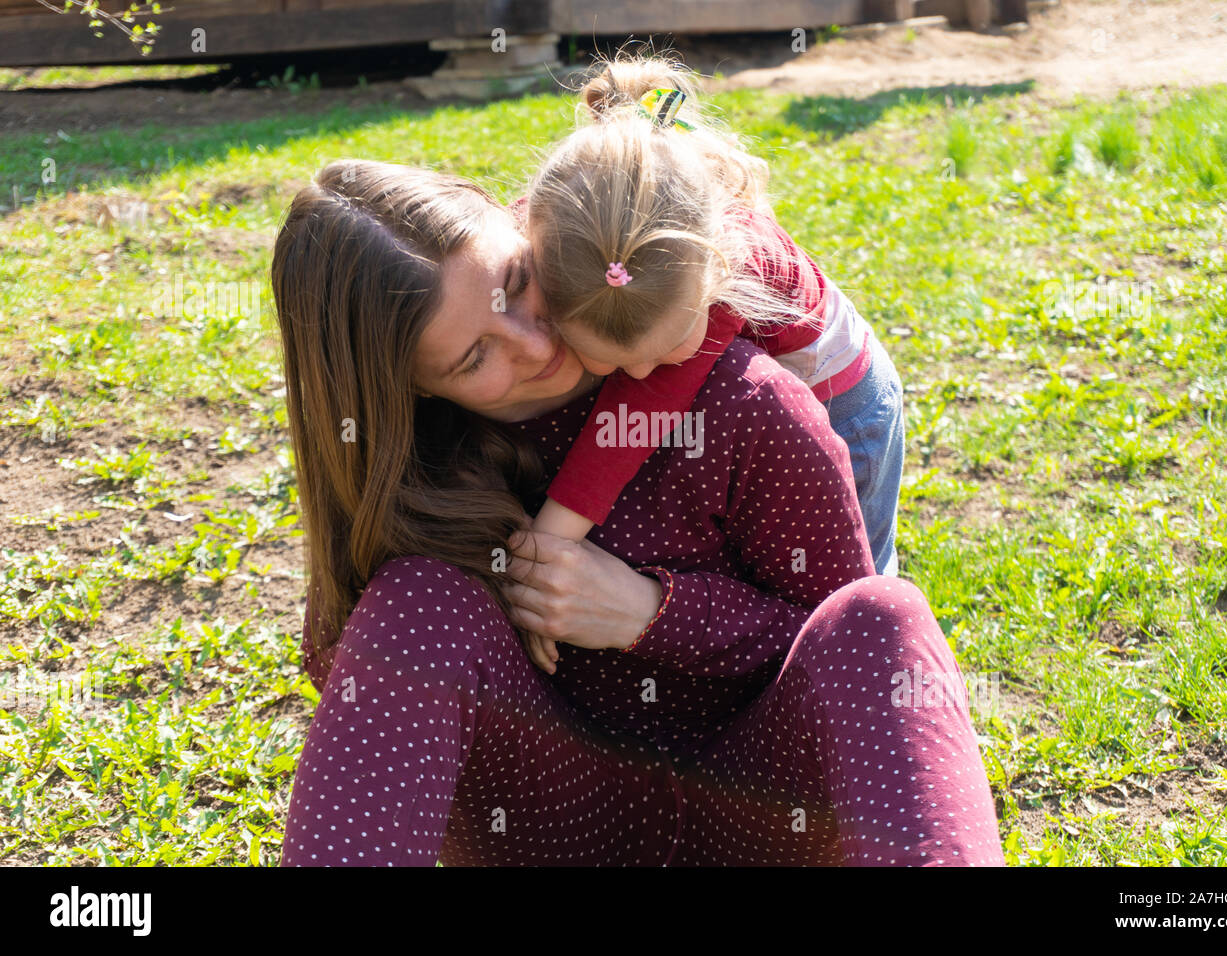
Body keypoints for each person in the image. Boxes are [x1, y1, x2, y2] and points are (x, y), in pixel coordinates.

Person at [272, 158, 1003, 866]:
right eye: (474, 358)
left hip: (767, 820)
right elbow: (351, 671)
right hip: (555, 834)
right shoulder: (417, 475)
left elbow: (833, 654)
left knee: (883, 615)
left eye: (519, 285)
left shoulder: (741, 406)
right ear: (412, 389)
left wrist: (650, 612)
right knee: (414, 604)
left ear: (520, 222)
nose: (534, 343)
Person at [523, 58, 905, 593]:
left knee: (852, 567)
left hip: (848, 403)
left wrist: (544, 551)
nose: (637, 371)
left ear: (716, 273)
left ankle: (886, 644)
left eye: (667, 347)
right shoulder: (570, 238)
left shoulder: (721, 271)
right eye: (610, 359)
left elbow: (631, 425)